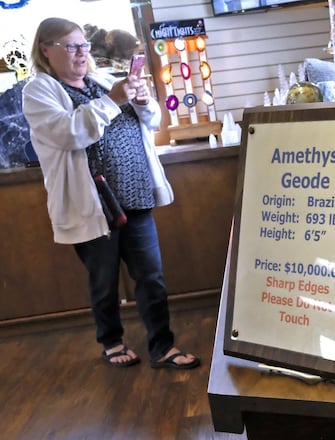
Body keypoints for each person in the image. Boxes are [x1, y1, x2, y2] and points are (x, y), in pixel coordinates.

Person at [23, 17, 200, 370]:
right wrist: (112, 100)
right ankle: (111, 341)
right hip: (93, 203)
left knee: (151, 275)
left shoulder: (102, 80)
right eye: (70, 46)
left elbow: (149, 123)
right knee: (103, 280)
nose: (80, 53)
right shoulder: (38, 90)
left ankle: (162, 347)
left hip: (134, 194)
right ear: (45, 50)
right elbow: (69, 133)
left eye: (83, 46)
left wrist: (144, 101)